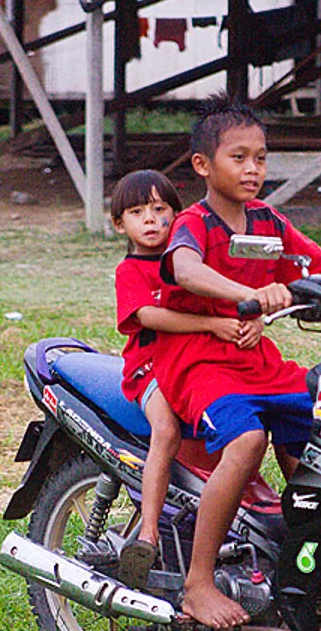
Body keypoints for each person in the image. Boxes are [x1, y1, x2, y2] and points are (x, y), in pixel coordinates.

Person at [156, 94, 321, 630]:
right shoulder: (193, 223)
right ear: (203, 165)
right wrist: (249, 292)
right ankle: (197, 583)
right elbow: (186, 270)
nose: (252, 169)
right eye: (238, 157)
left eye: (260, 158)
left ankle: (306, 554)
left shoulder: (268, 221)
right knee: (247, 442)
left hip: (256, 358)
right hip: (197, 362)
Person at [110, 169, 259, 589]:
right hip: (150, 368)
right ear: (120, 224)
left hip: (196, 363)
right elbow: (148, 317)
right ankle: (149, 532)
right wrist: (209, 325)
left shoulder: (189, 263)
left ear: (178, 215)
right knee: (167, 431)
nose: (152, 220)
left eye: (160, 210)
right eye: (138, 212)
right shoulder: (131, 271)